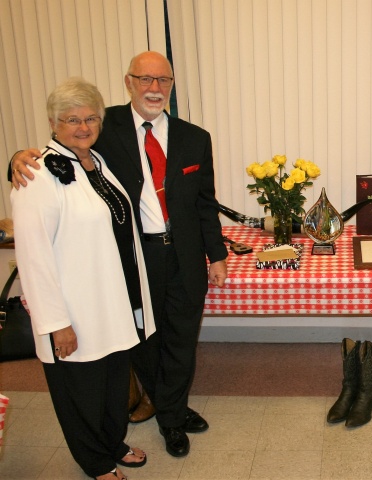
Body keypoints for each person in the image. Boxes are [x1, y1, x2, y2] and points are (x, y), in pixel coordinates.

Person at [10, 52, 228, 457]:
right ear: (128, 82)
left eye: (163, 80)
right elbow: (59, 149)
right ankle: (170, 410)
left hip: (183, 255)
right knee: (143, 342)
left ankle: (170, 412)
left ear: (172, 84)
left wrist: (216, 255)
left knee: (181, 340)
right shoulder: (103, 127)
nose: (154, 88)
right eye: (145, 79)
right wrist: (17, 160)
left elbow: (204, 203)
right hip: (133, 260)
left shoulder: (195, 138)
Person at [11, 77, 155, 480]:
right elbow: (34, 256)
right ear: (53, 123)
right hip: (74, 311)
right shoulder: (37, 174)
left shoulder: (96, 161)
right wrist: (56, 323)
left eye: (91, 118)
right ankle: (94, 461)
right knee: (81, 394)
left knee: (112, 386)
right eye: (72, 119)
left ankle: (113, 443)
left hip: (111, 303)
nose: (83, 126)